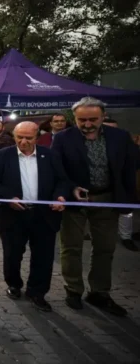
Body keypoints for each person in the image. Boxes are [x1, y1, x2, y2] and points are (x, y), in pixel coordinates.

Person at [52, 97, 137, 316]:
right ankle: (73, 290)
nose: (87, 124)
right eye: (82, 120)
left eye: (93, 119)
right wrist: (71, 189)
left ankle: (99, 292)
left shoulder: (120, 137)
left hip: (107, 199)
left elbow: (128, 170)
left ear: (103, 117)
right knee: (71, 247)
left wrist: (127, 200)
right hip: (75, 202)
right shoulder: (62, 139)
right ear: (75, 118)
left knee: (105, 247)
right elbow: (57, 170)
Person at [0, 121, 70, 312]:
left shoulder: (50, 155)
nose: (23, 141)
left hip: (44, 215)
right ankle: (14, 284)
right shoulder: (2, 156)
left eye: (28, 138)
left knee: (43, 255)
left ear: (37, 137)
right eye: (20, 137)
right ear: (14, 136)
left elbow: (62, 180)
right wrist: (8, 198)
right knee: (13, 252)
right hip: (12, 214)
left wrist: (60, 196)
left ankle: (37, 292)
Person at [102, 118, 138, 251]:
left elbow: (135, 161)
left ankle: (126, 237)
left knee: (126, 212)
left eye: (114, 128)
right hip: (101, 188)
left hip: (122, 184)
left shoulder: (126, 142)